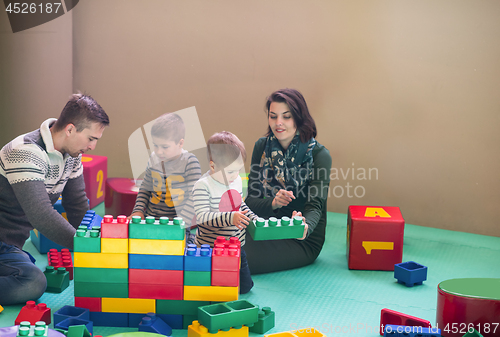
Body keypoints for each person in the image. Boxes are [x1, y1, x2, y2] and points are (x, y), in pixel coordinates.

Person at [0, 93, 109, 305]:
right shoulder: (25, 151)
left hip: (9, 245)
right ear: (70, 129)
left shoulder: (72, 156)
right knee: (32, 282)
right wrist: (84, 246)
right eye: (91, 139)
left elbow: (77, 206)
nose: (93, 146)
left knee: (27, 270)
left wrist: (101, 241)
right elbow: (40, 214)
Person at [244, 88, 332, 274]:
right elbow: (251, 200)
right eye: (273, 116)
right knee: (220, 243)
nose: (279, 123)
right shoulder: (262, 146)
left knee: (240, 259)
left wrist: (302, 226)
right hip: (265, 226)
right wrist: (273, 203)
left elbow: (315, 205)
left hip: (300, 239)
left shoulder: (319, 155)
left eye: (286, 116)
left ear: (299, 118)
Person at [193, 131, 256, 294]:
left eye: (238, 170)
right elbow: (202, 217)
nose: (235, 175)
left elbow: (241, 205)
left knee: (245, 287)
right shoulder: (203, 186)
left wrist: (254, 218)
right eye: (230, 172)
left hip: (236, 247)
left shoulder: (236, 180)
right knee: (212, 289)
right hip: (211, 248)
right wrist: (230, 217)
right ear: (213, 166)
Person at [129, 113, 201, 229]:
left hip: (177, 224)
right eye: (155, 145)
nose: (159, 151)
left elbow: (195, 197)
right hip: (151, 220)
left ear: (180, 143)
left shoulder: (189, 162)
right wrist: (138, 211)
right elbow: (145, 188)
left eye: (165, 147)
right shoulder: (154, 158)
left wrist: (182, 221)